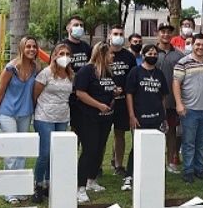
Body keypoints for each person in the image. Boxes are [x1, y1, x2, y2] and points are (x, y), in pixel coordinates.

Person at [0, 36, 39, 205]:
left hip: (25, 113)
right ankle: (8, 191)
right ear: (22, 48)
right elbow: (0, 93)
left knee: (22, 152)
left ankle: (19, 188)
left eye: (34, 47)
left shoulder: (35, 68)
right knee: (11, 152)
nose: (32, 49)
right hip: (8, 113)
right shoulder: (11, 68)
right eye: (28, 47)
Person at [74, 42, 117, 203]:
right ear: (102, 54)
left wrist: (114, 92)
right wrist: (98, 105)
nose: (113, 56)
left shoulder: (107, 71)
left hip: (105, 118)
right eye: (111, 54)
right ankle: (80, 187)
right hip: (89, 117)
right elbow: (80, 92)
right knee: (89, 150)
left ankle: (92, 180)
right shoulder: (87, 70)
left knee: (100, 149)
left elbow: (106, 89)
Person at [174, 33, 203, 183]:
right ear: (192, 45)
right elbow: (176, 84)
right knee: (189, 142)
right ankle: (188, 170)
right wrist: (179, 103)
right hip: (189, 109)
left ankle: (200, 169)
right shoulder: (183, 62)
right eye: (197, 44)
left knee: (202, 142)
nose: (200, 47)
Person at [122, 44, 169, 190]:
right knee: (137, 148)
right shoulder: (135, 72)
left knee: (156, 148)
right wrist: (131, 115)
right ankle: (129, 176)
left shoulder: (159, 74)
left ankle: (153, 177)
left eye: (155, 54)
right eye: (150, 53)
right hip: (140, 117)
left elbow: (163, 97)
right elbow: (129, 94)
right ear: (143, 55)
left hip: (157, 117)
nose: (153, 56)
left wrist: (164, 117)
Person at [31, 43, 74, 203]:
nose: (64, 56)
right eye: (61, 53)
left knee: (56, 153)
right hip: (44, 117)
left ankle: (49, 183)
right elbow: (35, 94)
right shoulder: (46, 73)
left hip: (62, 118)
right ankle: (38, 185)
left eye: (67, 54)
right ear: (54, 55)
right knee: (45, 153)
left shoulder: (70, 74)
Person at [108, 25, 137, 176]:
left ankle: (118, 165)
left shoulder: (129, 56)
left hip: (123, 102)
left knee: (120, 134)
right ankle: (97, 166)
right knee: (101, 135)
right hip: (104, 102)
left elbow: (132, 79)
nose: (118, 36)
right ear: (109, 35)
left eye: (121, 34)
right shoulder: (102, 53)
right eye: (115, 34)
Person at [156, 22, 184, 173]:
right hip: (153, 100)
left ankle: (171, 162)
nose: (165, 34)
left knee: (172, 131)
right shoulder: (151, 51)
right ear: (158, 33)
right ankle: (155, 161)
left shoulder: (178, 55)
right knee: (155, 132)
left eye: (168, 32)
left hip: (172, 100)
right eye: (163, 31)